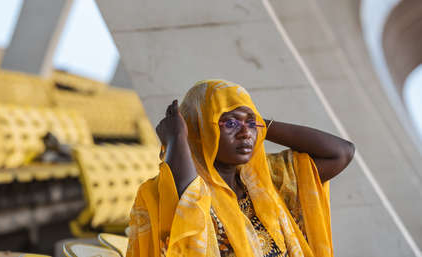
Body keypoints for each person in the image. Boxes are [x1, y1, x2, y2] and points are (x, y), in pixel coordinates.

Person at [127, 79, 355, 257]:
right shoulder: (173, 193)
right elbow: (188, 201)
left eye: (250, 123)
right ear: (199, 130)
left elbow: (341, 153)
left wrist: (260, 124)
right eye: (230, 123)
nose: (246, 133)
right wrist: (177, 137)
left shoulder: (268, 182)